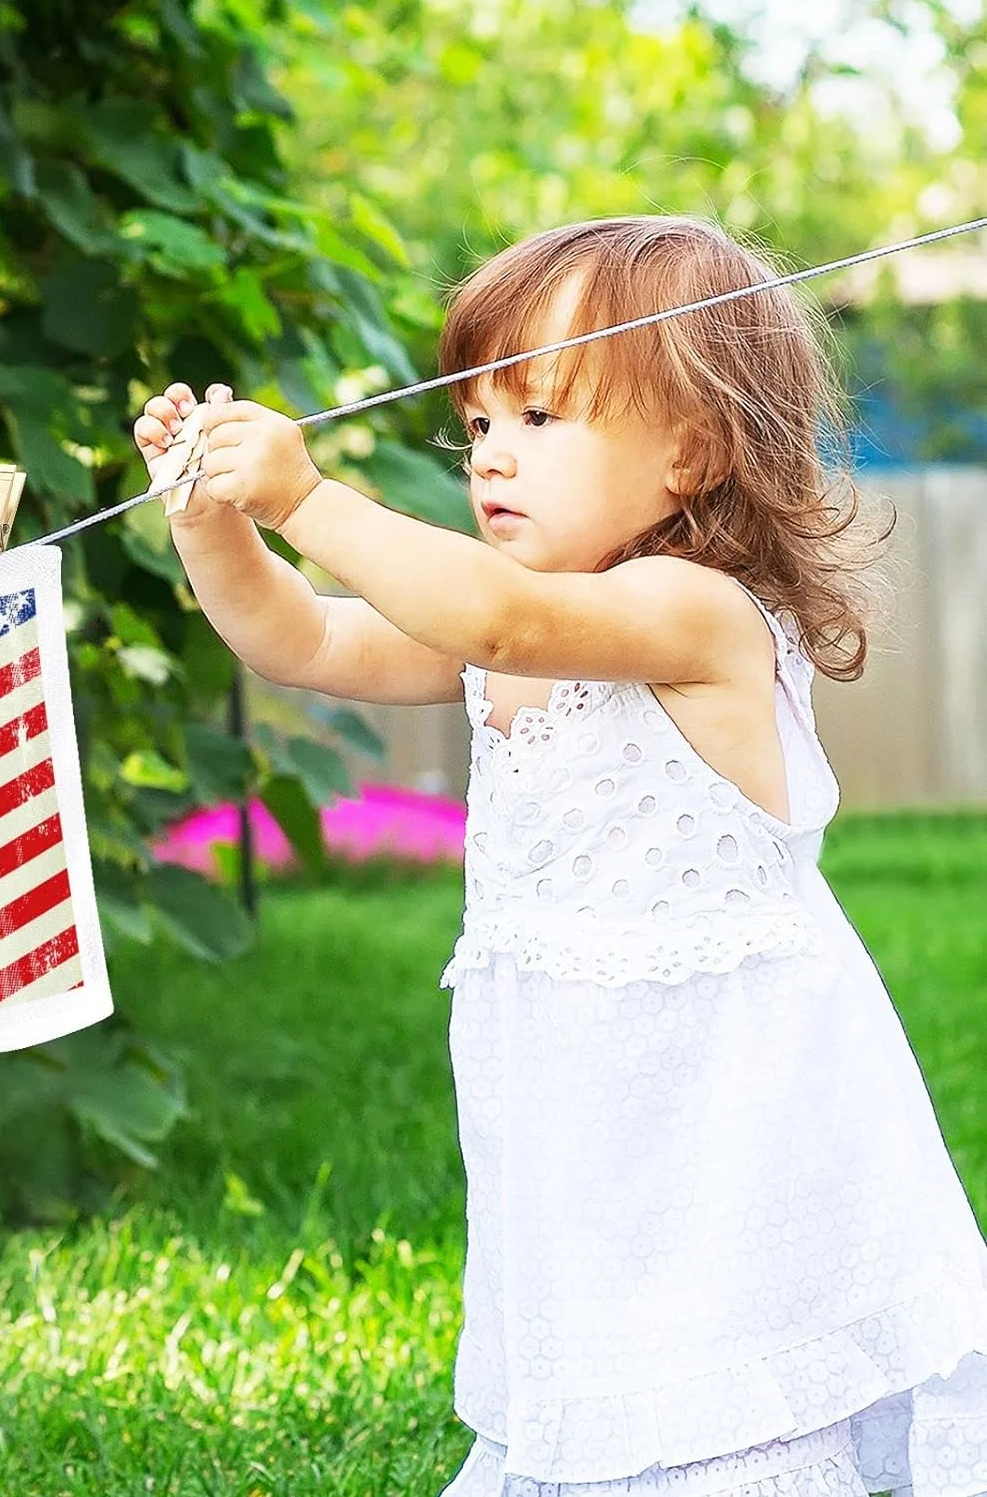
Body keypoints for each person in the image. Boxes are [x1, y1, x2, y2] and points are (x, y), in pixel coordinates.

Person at [131, 214, 987, 1497]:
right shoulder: (505, 625)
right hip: (579, 1105)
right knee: (604, 1343)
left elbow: (504, 615)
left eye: (540, 418)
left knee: (724, 1378)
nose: (492, 459)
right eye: (476, 425)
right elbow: (304, 641)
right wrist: (213, 522)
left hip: (733, 1113)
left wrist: (308, 493)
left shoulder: (690, 613)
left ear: (693, 450)